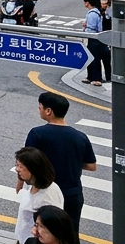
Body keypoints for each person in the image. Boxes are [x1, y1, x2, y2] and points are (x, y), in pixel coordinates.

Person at [24, 92, 96, 232]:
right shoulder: (80, 137)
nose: (39, 110)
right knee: (70, 233)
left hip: (46, 192)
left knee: (43, 233)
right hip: (73, 194)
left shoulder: (37, 133)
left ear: (48, 111)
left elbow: (27, 161)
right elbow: (92, 166)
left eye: (40, 107)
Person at [13, 147, 63, 244]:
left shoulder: (46, 199)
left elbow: (51, 230)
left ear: (33, 170)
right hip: (24, 241)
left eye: (21, 166)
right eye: (17, 165)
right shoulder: (32, 184)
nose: (17, 169)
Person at [82, 0, 109, 86]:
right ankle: (90, 77)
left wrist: (85, 28)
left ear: (87, 3)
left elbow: (92, 28)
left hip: (93, 39)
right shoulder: (95, 12)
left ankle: (96, 78)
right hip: (95, 38)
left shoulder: (92, 14)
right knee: (92, 58)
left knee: (94, 58)